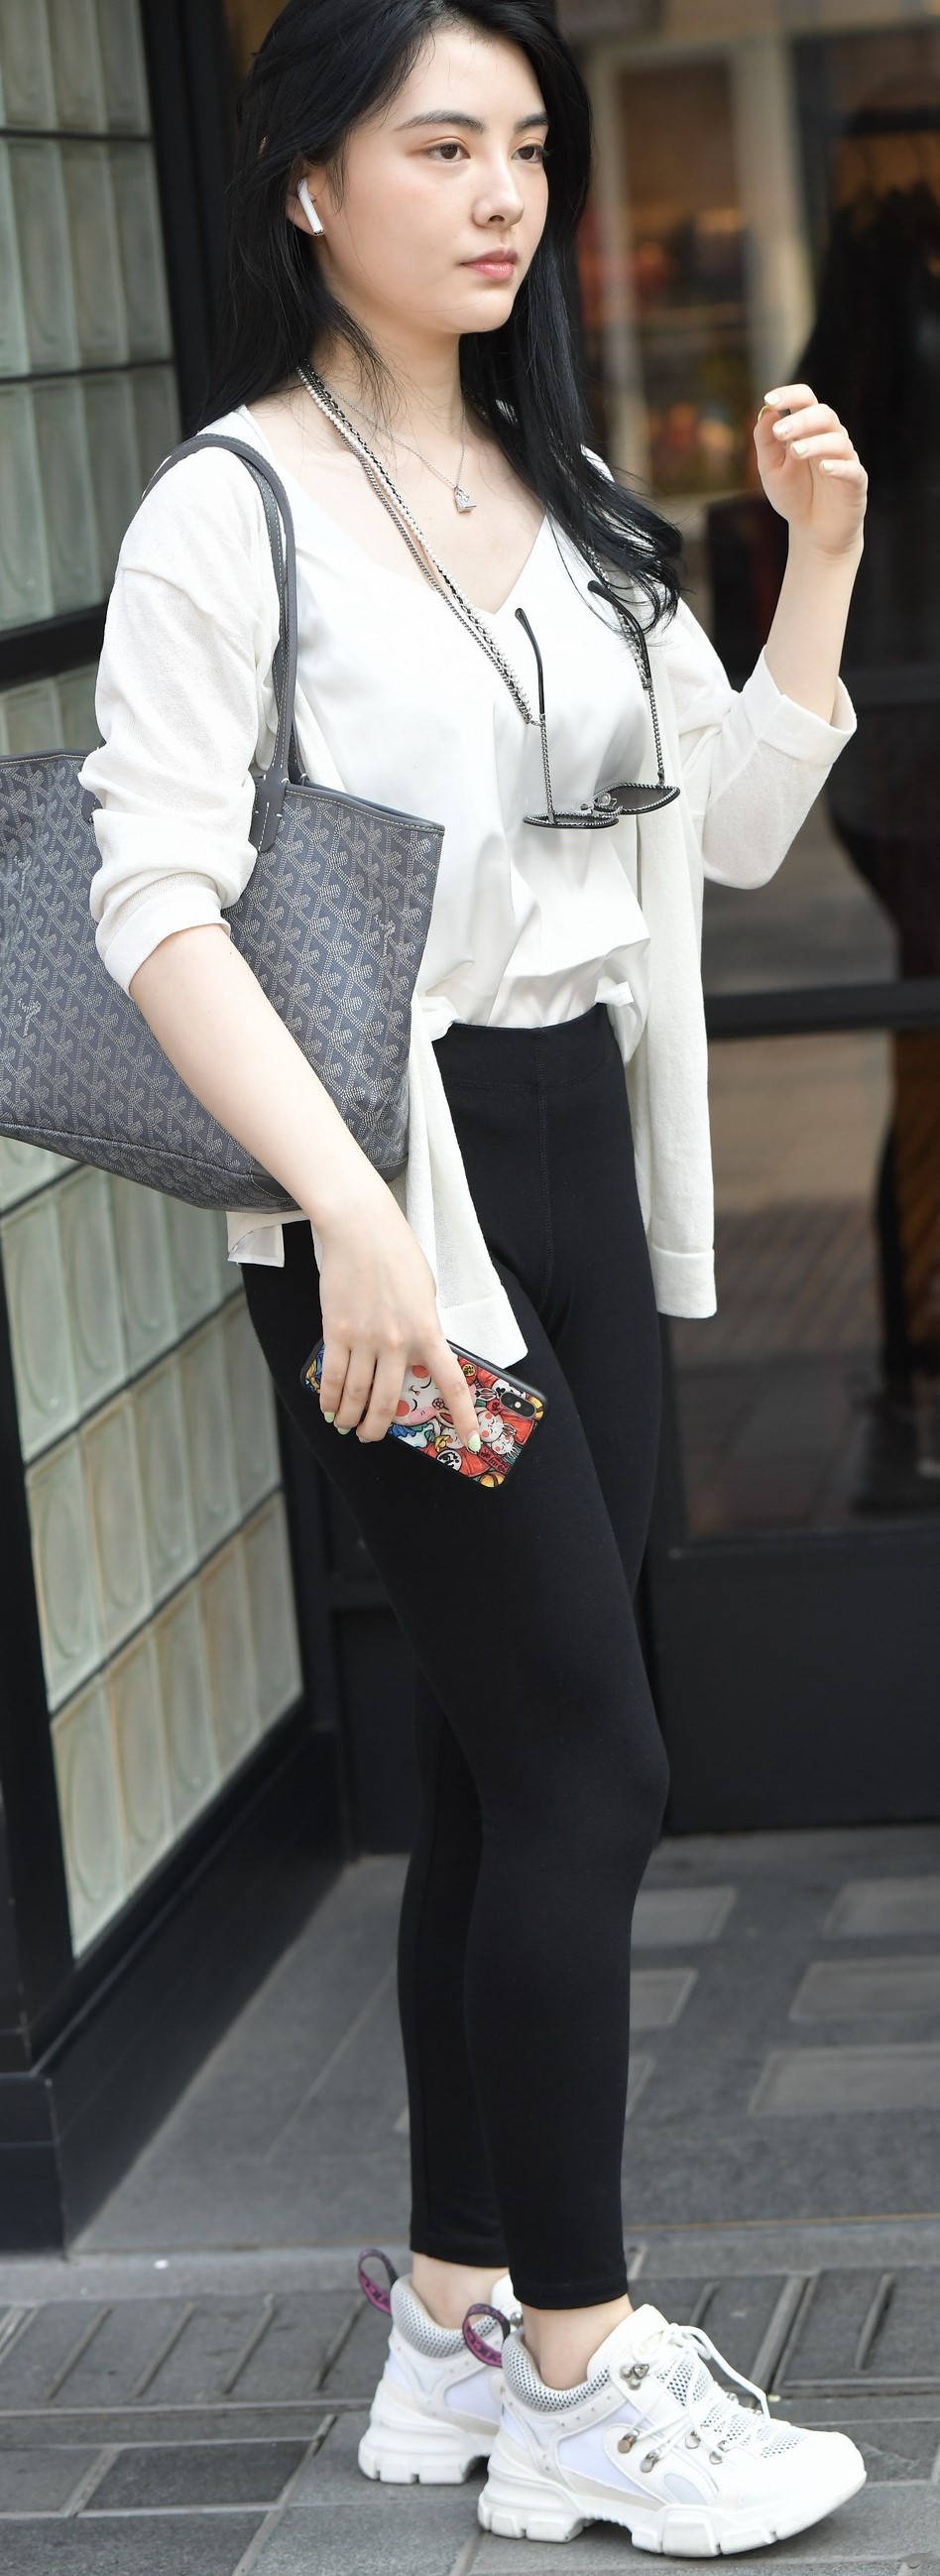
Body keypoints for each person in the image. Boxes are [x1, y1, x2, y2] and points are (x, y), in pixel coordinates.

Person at [78, 0, 870, 2554]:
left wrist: (816, 566)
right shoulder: (230, 512)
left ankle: (448, 2312)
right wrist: (350, 1223)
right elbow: (153, 898)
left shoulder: (572, 490)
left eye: (527, 143)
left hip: (568, 1169)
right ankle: (581, 2370)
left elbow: (725, 838)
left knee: (501, 1763)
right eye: (443, 145)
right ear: (311, 181)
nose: (504, 190)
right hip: (390, 1207)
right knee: (595, 1771)